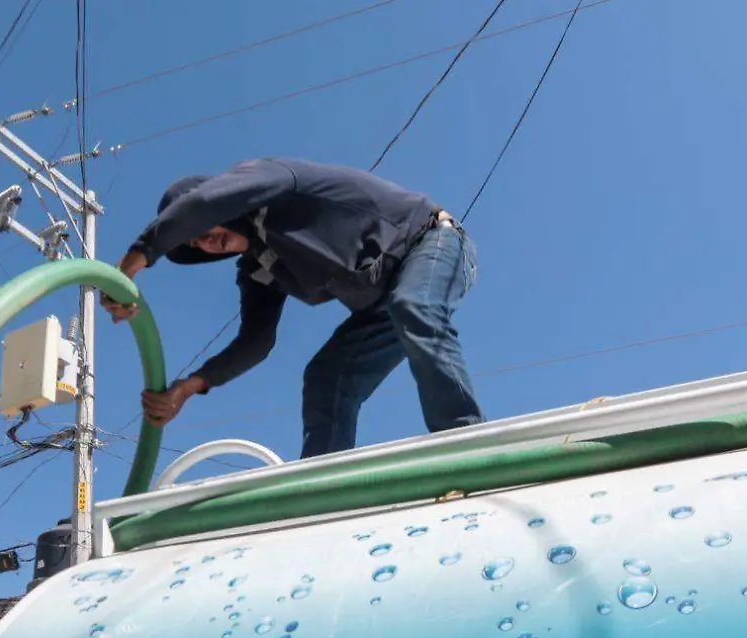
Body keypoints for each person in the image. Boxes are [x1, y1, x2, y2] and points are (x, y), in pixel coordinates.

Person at [100, 157, 484, 459]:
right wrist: (188, 387)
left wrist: (135, 260)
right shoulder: (259, 268)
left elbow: (204, 202)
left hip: (432, 242)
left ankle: (466, 442)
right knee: (325, 377)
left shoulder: (275, 182)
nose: (205, 242)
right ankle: (323, 487)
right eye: (195, 244)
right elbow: (255, 341)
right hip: (382, 309)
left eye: (201, 229)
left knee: (414, 306)